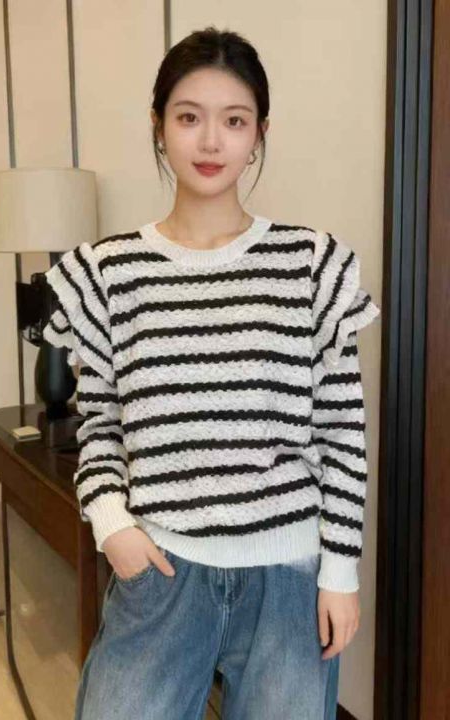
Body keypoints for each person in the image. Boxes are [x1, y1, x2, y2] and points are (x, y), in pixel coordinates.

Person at [43, 26, 380, 720]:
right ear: (158, 126)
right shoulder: (107, 272)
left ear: (258, 134)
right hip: (161, 568)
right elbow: (101, 424)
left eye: (234, 121)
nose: (210, 141)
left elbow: (342, 433)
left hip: (286, 580)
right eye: (188, 117)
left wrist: (340, 574)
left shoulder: (311, 264)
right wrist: (111, 523)